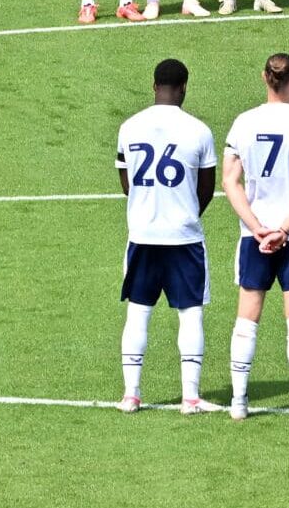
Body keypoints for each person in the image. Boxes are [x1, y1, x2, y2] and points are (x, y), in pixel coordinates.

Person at [221, 53, 289, 422]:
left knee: (246, 318)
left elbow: (229, 181)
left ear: (264, 78)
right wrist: (285, 228)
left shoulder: (243, 122)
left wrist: (256, 227)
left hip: (254, 237)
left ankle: (238, 402)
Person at [114, 58, 218, 414]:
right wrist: (183, 212)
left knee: (139, 312)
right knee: (190, 314)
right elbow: (206, 189)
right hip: (184, 238)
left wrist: (147, 206)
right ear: (184, 87)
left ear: (153, 85)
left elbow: (126, 181)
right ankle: (190, 397)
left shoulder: (129, 127)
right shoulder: (199, 131)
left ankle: (131, 394)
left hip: (143, 235)